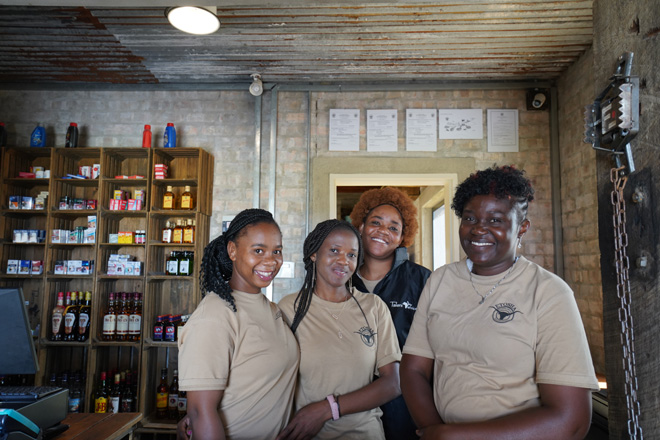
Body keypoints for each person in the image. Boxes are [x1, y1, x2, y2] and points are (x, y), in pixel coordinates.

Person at [401, 165, 599, 439]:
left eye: (495, 220)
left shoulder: (548, 293)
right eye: (469, 218)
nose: (478, 230)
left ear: (522, 228)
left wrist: (453, 437)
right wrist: (433, 430)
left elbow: (571, 421)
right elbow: (413, 370)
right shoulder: (440, 281)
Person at [177, 208, 299, 440]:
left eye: (277, 251)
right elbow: (201, 412)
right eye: (258, 250)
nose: (271, 261)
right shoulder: (215, 315)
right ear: (232, 250)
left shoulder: (271, 309)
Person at [277, 219, 401, 440]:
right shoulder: (290, 309)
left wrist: (328, 409)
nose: (343, 261)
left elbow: (393, 383)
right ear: (314, 254)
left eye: (352, 255)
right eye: (334, 251)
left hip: (366, 433)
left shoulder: (373, 307)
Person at [349, 187, 431, 440]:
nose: (383, 231)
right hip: (351, 395)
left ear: (402, 237)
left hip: (404, 400)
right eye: (375, 223)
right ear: (360, 226)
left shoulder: (422, 279)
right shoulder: (340, 277)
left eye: (394, 228)